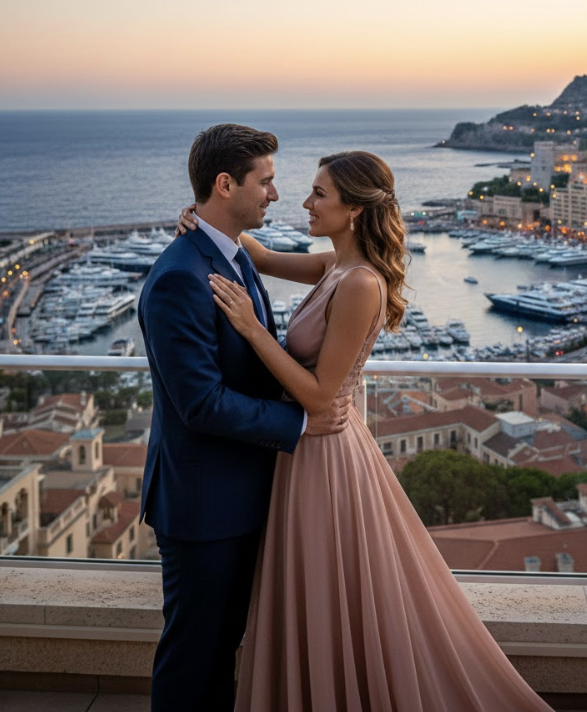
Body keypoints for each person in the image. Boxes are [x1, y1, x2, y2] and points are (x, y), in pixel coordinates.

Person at [180, 150, 554, 711]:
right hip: (302, 445)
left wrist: (253, 330)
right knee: (315, 587)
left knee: (326, 586)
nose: (305, 203)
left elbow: (319, 395)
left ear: (354, 209)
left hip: (323, 451)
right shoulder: (333, 266)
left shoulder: (359, 283)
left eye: (319, 194)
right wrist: (198, 219)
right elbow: (257, 255)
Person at [139, 123, 351, 712]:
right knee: (192, 656)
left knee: (222, 646)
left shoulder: (231, 255)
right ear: (226, 184)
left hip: (239, 493)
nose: (276, 195)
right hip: (202, 504)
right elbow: (201, 404)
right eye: (266, 182)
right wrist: (300, 422)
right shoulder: (180, 277)